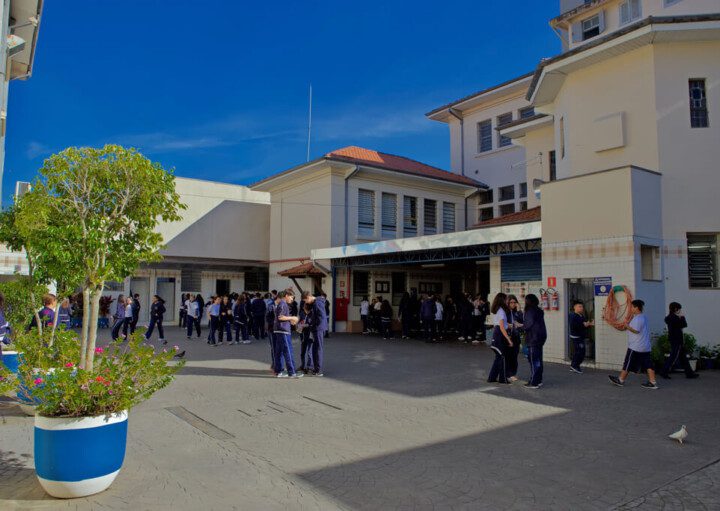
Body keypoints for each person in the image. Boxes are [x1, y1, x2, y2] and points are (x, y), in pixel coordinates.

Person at [609, 299, 659, 389]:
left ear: (636, 307)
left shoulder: (638, 318)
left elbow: (636, 330)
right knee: (648, 364)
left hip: (636, 346)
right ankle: (653, 382)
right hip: (645, 346)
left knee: (628, 362)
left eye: (632, 307)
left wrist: (627, 326)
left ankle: (620, 380)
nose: (631, 308)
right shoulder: (643, 317)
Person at [660, 302, 699, 379]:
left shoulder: (669, 317)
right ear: (675, 309)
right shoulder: (674, 318)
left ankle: (689, 373)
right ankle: (664, 371)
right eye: (679, 309)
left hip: (675, 339)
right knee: (673, 357)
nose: (680, 310)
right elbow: (684, 324)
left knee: (683, 357)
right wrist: (682, 316)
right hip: (677, 340)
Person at [273, 290, 302, 378]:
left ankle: (278, 371)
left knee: (279, 352)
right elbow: (280, 317)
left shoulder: (282, 304)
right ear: (286, 296)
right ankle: (292, 372)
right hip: (283, 331)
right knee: (288, 351)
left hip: (279, 330)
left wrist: (290, 320)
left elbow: (281, 317)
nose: (292, 299)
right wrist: (293, 317)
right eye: (291, 297)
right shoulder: (283, 304)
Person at [521, 294, 547, 389]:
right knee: (538, 360)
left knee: (533, 361)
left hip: (533, 338)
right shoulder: (539, 310)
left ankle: (534, 382)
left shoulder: (529, 311)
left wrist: (521, 326)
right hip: (540, 338)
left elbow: (528, 324)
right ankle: (539, 380)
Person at [487, 293, 513, 384]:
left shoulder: (498, 310)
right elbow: (501, 327)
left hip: (497, 335)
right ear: (502, 300)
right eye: (506, 299)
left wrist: (509, 325)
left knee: (498, 358)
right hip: (499, 337)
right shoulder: (501, 311)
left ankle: (491, 378)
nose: (507, 301)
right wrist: (509, 339)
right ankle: (503, 379)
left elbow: (501, 325)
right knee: (502, 358)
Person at [303, 291, 327, 376]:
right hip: (316, 328)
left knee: (317, 349)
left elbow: (321, 316)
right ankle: (316, 368)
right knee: (315, 348)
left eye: (305, 300)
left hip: (318, 329)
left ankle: (318, 370)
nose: (306, 302)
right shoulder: (316, 302)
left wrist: (313, 324)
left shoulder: (317, 303)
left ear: (308, 297)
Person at [568, 300, 594, 374]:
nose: (581, 308)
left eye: (582, 306)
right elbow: (574, 326)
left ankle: (573, 366)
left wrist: (589, 324)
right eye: (579, 306)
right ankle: (575, 366)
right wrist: (584, 325)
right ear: (575, 307)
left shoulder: (581, 315)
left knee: (578, 352)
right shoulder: (572, 316)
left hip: (580, 336)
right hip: (576, 337)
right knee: (580, 352)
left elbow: (584, 324)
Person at [506, 295, 523, 382]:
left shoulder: (516, 312)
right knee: (508, 356)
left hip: (516, 337)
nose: (513, 304)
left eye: (514, 302)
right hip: (508, 337)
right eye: (511, 302)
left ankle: (512, 373)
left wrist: (520, 310)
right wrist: (510, 325)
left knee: (514, 356)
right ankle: (508, 374)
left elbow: (522, 321)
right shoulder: (506, 313)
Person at [298, 301, 314, 373]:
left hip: (310, 335)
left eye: (304, 306)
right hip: (303, 335)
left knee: (309, 352)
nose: (303, 307)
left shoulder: (313, 314)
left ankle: (309, 366)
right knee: (302, 352)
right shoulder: (302, 314)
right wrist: (299, 326)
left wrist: (307, 325)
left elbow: (313, 324)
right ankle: (303, 366)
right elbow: (299, 322)